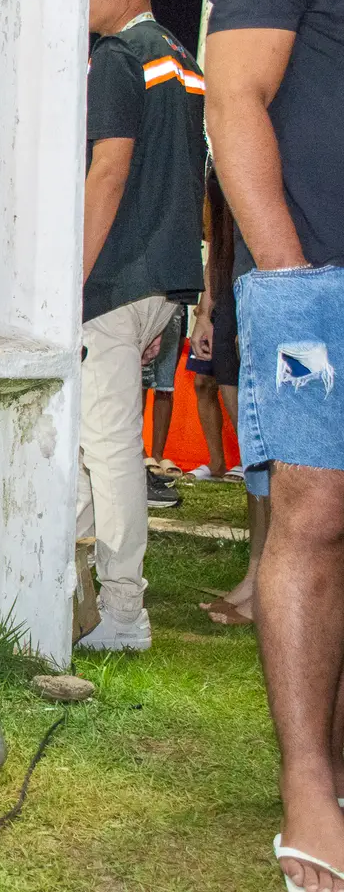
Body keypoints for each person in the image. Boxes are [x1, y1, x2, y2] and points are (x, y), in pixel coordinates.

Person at [206, 0, 344, 887]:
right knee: (316, 510)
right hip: (317, 279)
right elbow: (233, 99)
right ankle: (308, 784)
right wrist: (291, 281)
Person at [78, 0, 205, 652]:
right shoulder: (180, 55)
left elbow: (110, 170)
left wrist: (73, 279)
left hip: (117, 276)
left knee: (108, 448)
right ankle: (76, 592)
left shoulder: (119, 55)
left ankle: (123, 609)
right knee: (95, 441)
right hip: (162, 278)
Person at [191, 170, 268, 627]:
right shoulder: (223, 154)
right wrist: (206, 311)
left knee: (273, 463)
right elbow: (220, 239)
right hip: (234, 299)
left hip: (266, 296)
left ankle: (269, 584)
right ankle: (256, 575)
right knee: (256, 461)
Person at [141, 307, 185, 508]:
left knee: (166, 384)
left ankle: (158, 454)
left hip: (174, 305)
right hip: (142, 302)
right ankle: (141, 453)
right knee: (140, 379)